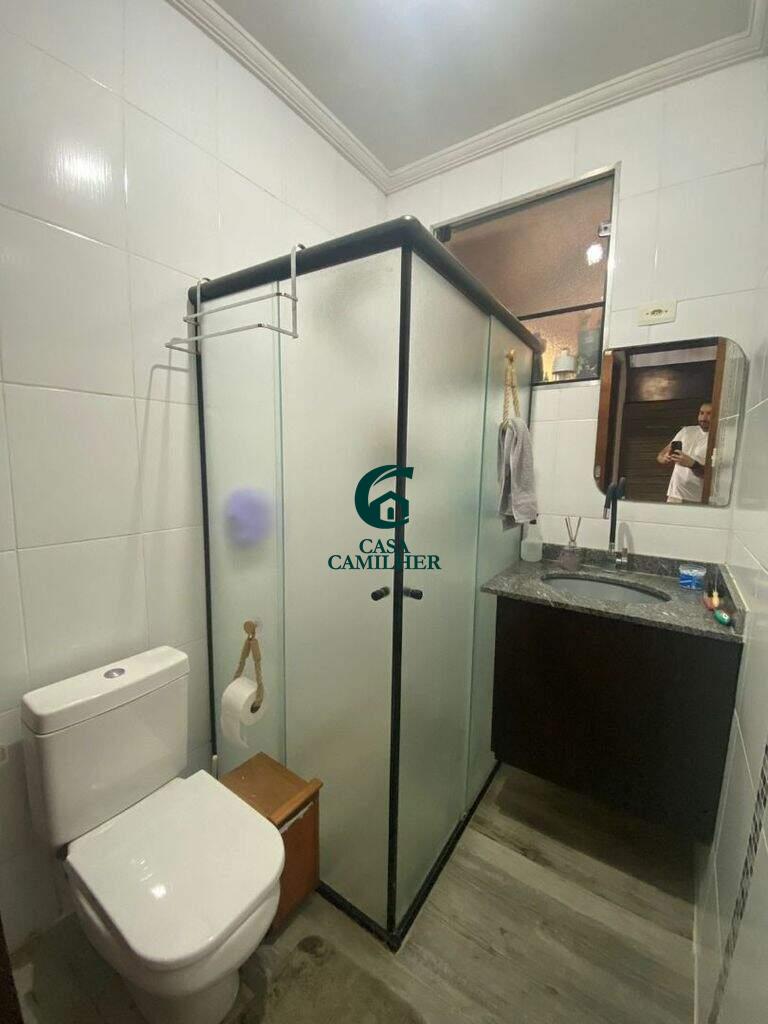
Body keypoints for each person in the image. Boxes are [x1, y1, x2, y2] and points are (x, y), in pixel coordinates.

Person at [657, 402, 712, 503]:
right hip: (674, 495)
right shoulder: (686, 431)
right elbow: (661, 454)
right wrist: (664, 458)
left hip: (697, 498)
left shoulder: (717, 437)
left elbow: (713, 474)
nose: (704, 418)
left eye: (709, 414)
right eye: (701, 413)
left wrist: (692, 464)